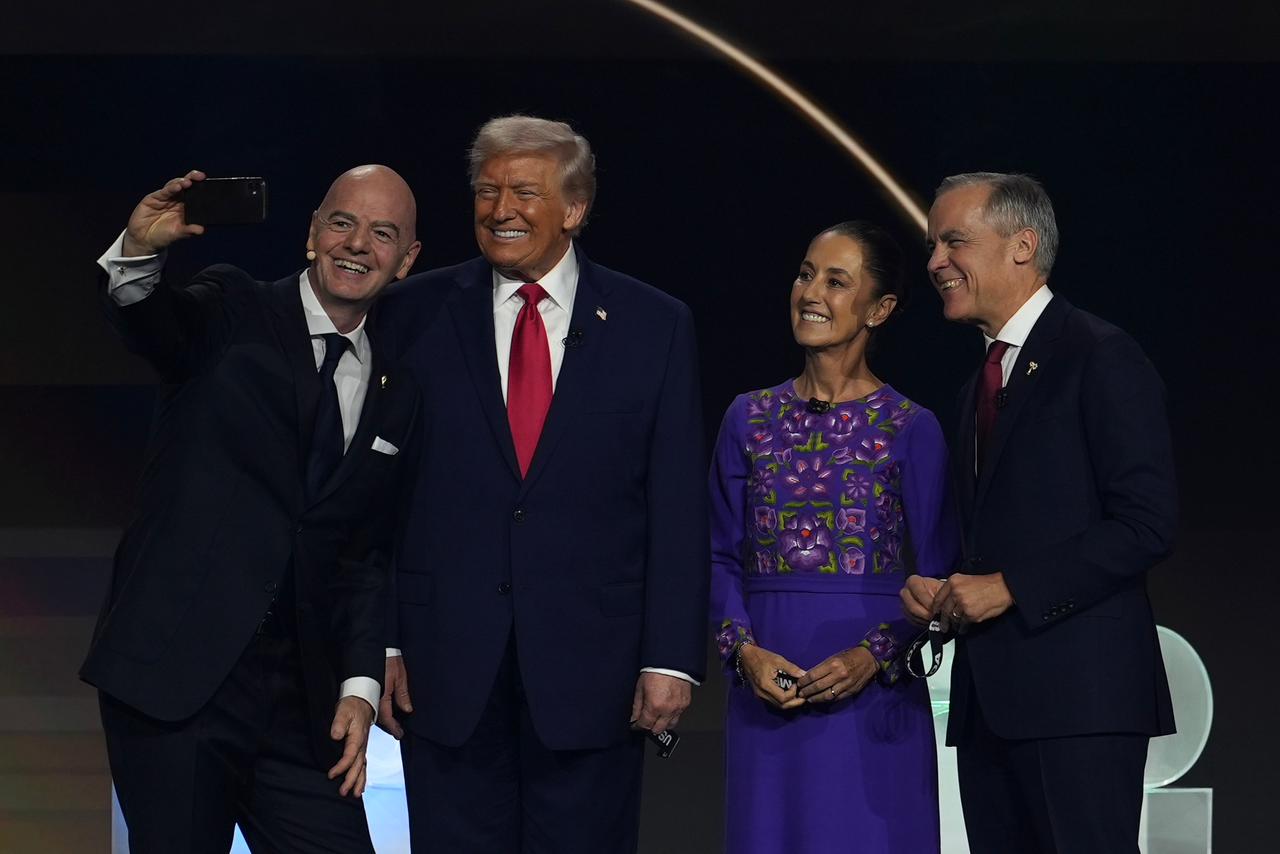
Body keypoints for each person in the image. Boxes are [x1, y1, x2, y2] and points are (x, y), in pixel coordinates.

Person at [374, 115, 710, 853]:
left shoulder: (654, 325)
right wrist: (385, 641)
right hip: (444, 663)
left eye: (525, 192)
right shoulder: (412, 314)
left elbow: (678, 507)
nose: (502, 210)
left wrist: (669, 658)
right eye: (487, 191)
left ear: (575, 208)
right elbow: (380, 498)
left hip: (596, 669)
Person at [80, 166, 422, 853]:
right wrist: (140, 253)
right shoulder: (233, 306)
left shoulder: (398, 387)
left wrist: (358, 686)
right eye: (342, 223)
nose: (358, 244)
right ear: (312, 233)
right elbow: (153, 323)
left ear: (407, 260)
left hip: (301, 704)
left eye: (382, 233)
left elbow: (363, 552)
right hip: (177, 683)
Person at [901, 172, 1177, 853]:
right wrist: (946, 593)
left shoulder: (1100, 355)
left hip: (1080, 700)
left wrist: (1009, 588)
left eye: (954, 241)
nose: (935, 261)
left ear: (1022, 246)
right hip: (989, 704)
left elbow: (1145, 523)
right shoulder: (975, 385)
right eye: (933, 245)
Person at [709, 221, 960, 853]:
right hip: (767, 690)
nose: (811, 292)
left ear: (880, 309)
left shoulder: (912, 427)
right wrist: (744, 652)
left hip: (872, 699)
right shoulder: (747, 417)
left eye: (836, 281)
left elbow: (941, 579)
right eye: (804, 275)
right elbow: (716, 555)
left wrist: (873, 655)